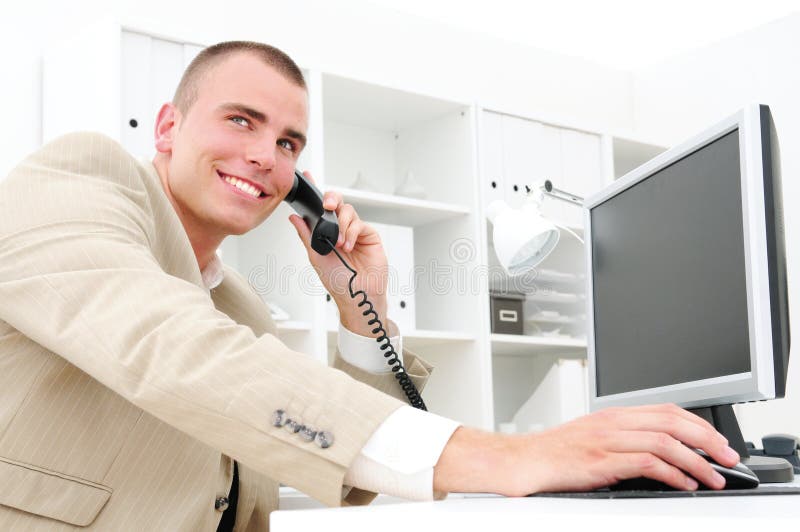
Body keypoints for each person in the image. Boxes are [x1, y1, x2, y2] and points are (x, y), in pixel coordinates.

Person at [0, 41, 740, 530]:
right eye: (240, 121)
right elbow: (166, 349)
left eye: (289, 143)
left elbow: (337, 477)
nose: (266, 156)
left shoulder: (238, 305)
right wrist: (506, 456)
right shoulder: (83, 173)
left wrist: (361, 303)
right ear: (167, 127)